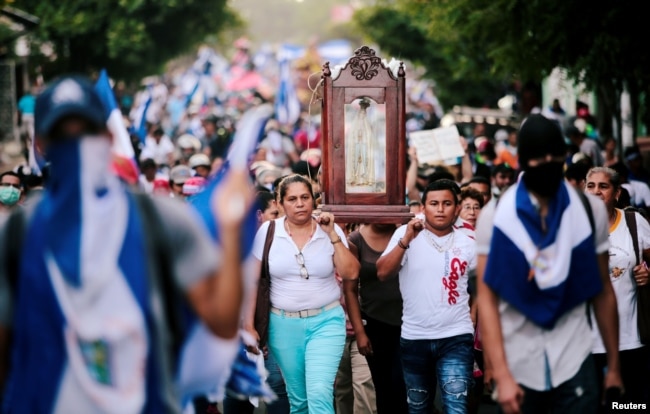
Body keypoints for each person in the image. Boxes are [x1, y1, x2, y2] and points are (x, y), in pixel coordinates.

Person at [0, 75, 252, 412]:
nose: (76, 146)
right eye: (62, 136)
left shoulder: (160, 219)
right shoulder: (19, 232)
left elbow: (219, 321)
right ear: (42, 145)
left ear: (106, 137)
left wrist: (232, 232)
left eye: (86, 132)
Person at [475, 114, 622, 414]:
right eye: (540, 159)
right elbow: (486, 298)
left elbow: (603, 289)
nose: (549, 163)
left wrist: (614, 367)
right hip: (520, 362)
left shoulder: (588, 210)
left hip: (575, 357)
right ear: (523, 161)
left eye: (556, 157)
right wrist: (500, 373)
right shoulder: (497, 217)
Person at [249, 174, 360, 413]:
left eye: (305, 197)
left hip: (326, 322)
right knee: (298, 401)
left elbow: (351, 273)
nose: (299, 203)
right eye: (292, 199)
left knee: (320, 392)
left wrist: (332, 234)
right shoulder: (268, 231)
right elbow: (252, 280)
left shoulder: (330, 230)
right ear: (280, 203)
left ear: (314, 200)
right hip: (283, 326)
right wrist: (248, 325)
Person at [376, 179, 476, 414]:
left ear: (457, 208)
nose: (440, 209)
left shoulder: (468, 242)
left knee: (456, 407)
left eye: (447, 203)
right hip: (415, 338)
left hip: (456, 336)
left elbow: (484, 285)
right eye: (434, 203)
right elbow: (382, 272)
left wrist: (473, 315)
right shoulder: (405, 234)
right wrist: (406, 239)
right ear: (423, 208)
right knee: (419, 408)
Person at [584, 167, 650, 408]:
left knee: (630, 404)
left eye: (603, 186)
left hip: (630, 339)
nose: (596, 191)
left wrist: (648, 273)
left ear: (617, 192)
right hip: (586, 342)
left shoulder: (633, 222)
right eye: (591, 186)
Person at [223, 190, 289, 414]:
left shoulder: (275, 240)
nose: (279, 218)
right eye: (274, 213)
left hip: (269, 325)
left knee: (277, 386)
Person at [344, 223, 408, 414]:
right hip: (374, 324)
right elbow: (350, 290)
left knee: (403, 385)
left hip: (409, 323)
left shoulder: (405, 233)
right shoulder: (356, 240)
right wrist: (360, 332)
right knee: (381, 387)